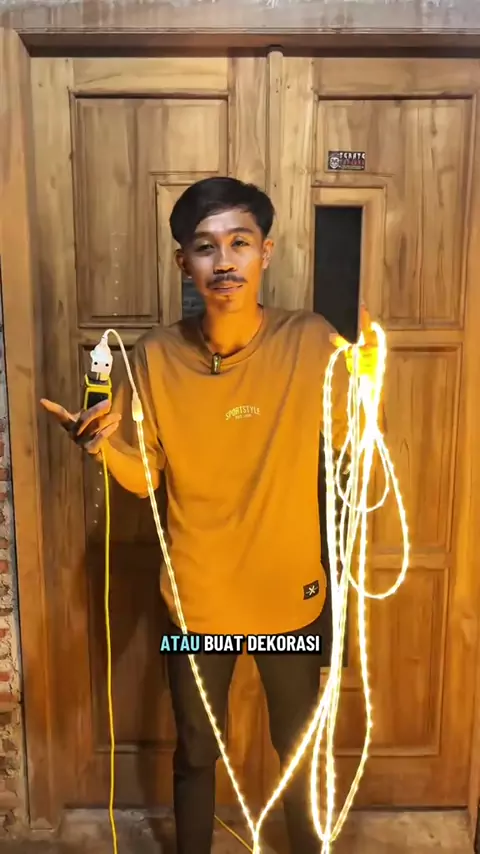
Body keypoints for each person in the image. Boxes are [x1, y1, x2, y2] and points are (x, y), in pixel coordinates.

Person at [41, 177, 379, 854]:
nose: (224, 261)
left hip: (288, 601)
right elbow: (146, 477)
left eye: (239, 243)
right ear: (184, 263)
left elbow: (352, 444)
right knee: (196, 748)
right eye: (205, 247)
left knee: (298, 749)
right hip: (196, 606)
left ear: (265, 252)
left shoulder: (311, 340)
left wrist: (367, 385)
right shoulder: (154, 357)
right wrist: (103, 449)